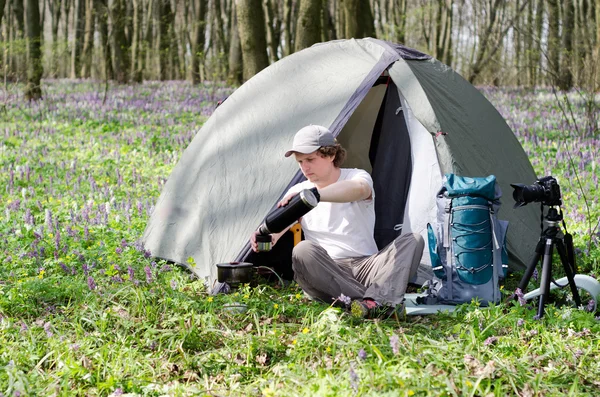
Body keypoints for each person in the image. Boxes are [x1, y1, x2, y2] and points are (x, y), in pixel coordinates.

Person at [251, 125, 424, 318]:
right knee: (302, 250)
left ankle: (368, 302)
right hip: (327, 271)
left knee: (413, 240)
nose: (304, 167)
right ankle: (377, 303)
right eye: (300, 162)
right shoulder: (299, 192)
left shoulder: (357, 176)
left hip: (367, 266)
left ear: (331, 155)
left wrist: (315, 196)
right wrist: (265, 235)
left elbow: (358, 190)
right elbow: (276, 230)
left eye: (310, 159)